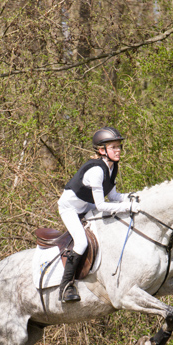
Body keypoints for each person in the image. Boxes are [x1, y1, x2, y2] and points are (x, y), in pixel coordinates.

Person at [56, 126, 139, 302]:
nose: (118, 150)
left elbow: (114, 197)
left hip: (87, 206)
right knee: (81, 242)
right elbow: (101, 205)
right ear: (102, 150)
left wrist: (134, 197)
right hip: (70, 208)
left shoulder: (112, 167)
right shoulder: (96, 171)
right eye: (113, 147)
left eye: (119, 146)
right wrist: (128, 207)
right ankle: (65, 287)